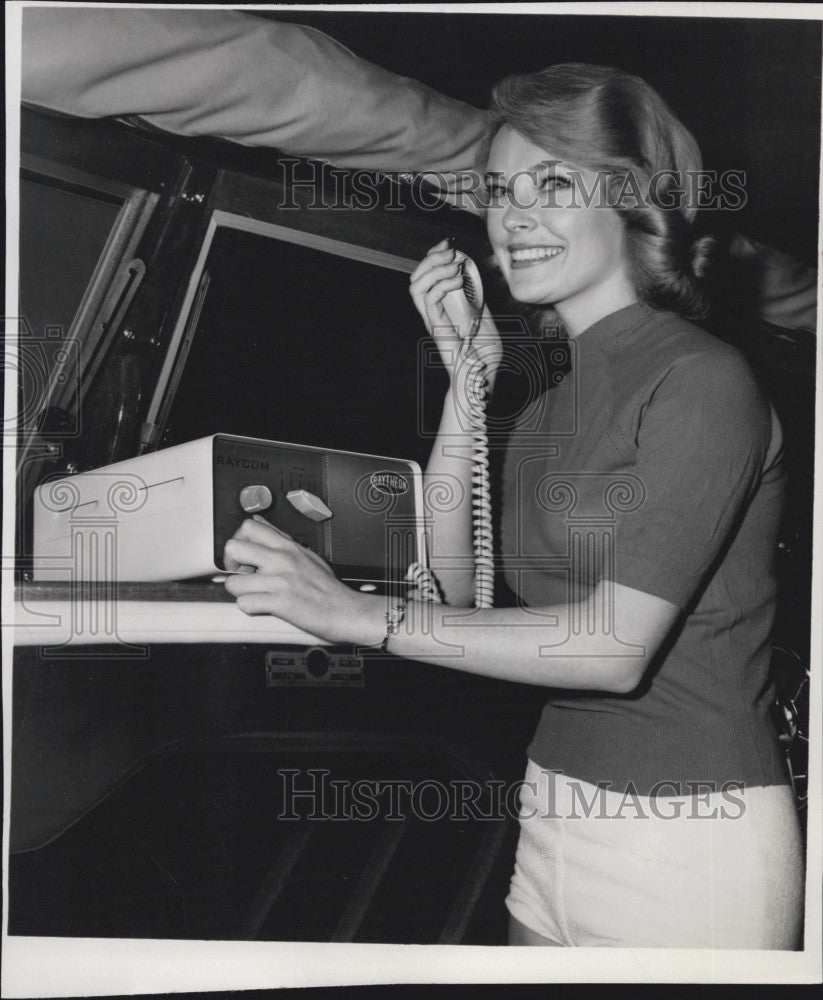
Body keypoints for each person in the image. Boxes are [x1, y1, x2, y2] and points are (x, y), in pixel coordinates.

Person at [222, 63, 804, 949]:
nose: (513, 214)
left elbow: (609, 648)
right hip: (553, 811)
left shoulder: (702, 379)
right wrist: (467, 379)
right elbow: (457, 595)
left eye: (553, 183)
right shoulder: (545, 405)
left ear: (632, 202)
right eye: (499, 190)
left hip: (692, 836)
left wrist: (353, 615)